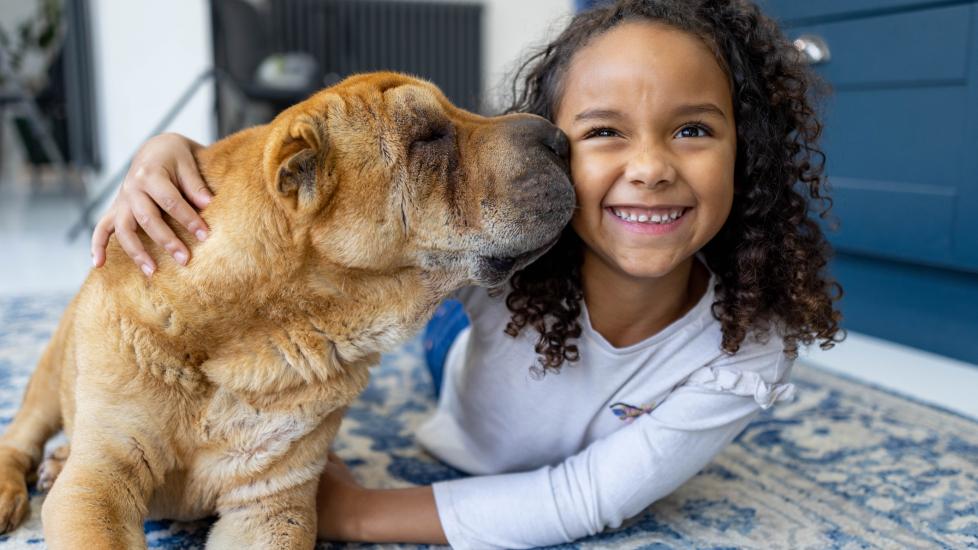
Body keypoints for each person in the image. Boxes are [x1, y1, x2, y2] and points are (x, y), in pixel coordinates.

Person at [90, 0, 844, 547]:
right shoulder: (510, 255)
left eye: (692, 129)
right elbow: (292, 244)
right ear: (554, 151)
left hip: (487, 334)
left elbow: (582, 498)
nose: (649, 168)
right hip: (461, 335)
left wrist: (352, 513)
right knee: (370, 295)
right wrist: (175, 152)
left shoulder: (747, 348)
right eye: (605, 131)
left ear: (750, 154)